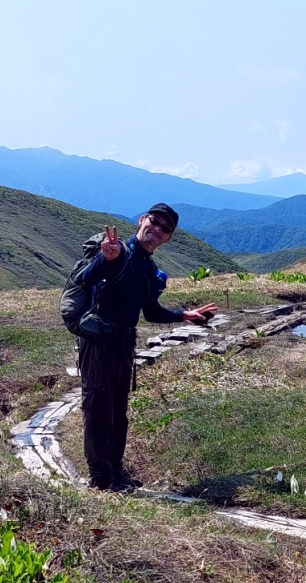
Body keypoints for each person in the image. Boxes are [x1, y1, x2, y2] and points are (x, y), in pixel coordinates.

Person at [79, 203, 217, 491]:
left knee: (118, 410)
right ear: (142, 220)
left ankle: (115, 471)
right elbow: (87, 278)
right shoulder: (118, 252)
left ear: (168, 238)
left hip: (124, 344)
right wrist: (106, 259)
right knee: (98, 410)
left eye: (165, 228)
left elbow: (150, 312)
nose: (157, 229)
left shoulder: (149, 268)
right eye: (154, 221)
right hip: (98, 342)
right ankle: (101, 479)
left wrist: (183, 315)